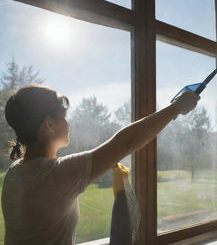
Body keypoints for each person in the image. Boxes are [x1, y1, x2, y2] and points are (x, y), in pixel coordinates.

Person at [1, 84, 200, 245]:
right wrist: (176, 108)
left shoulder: (15, 171)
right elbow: (127, 142)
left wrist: (104, 160)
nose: (68, 124)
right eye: (63, 117)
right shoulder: (56, 174)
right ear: (49, 124)